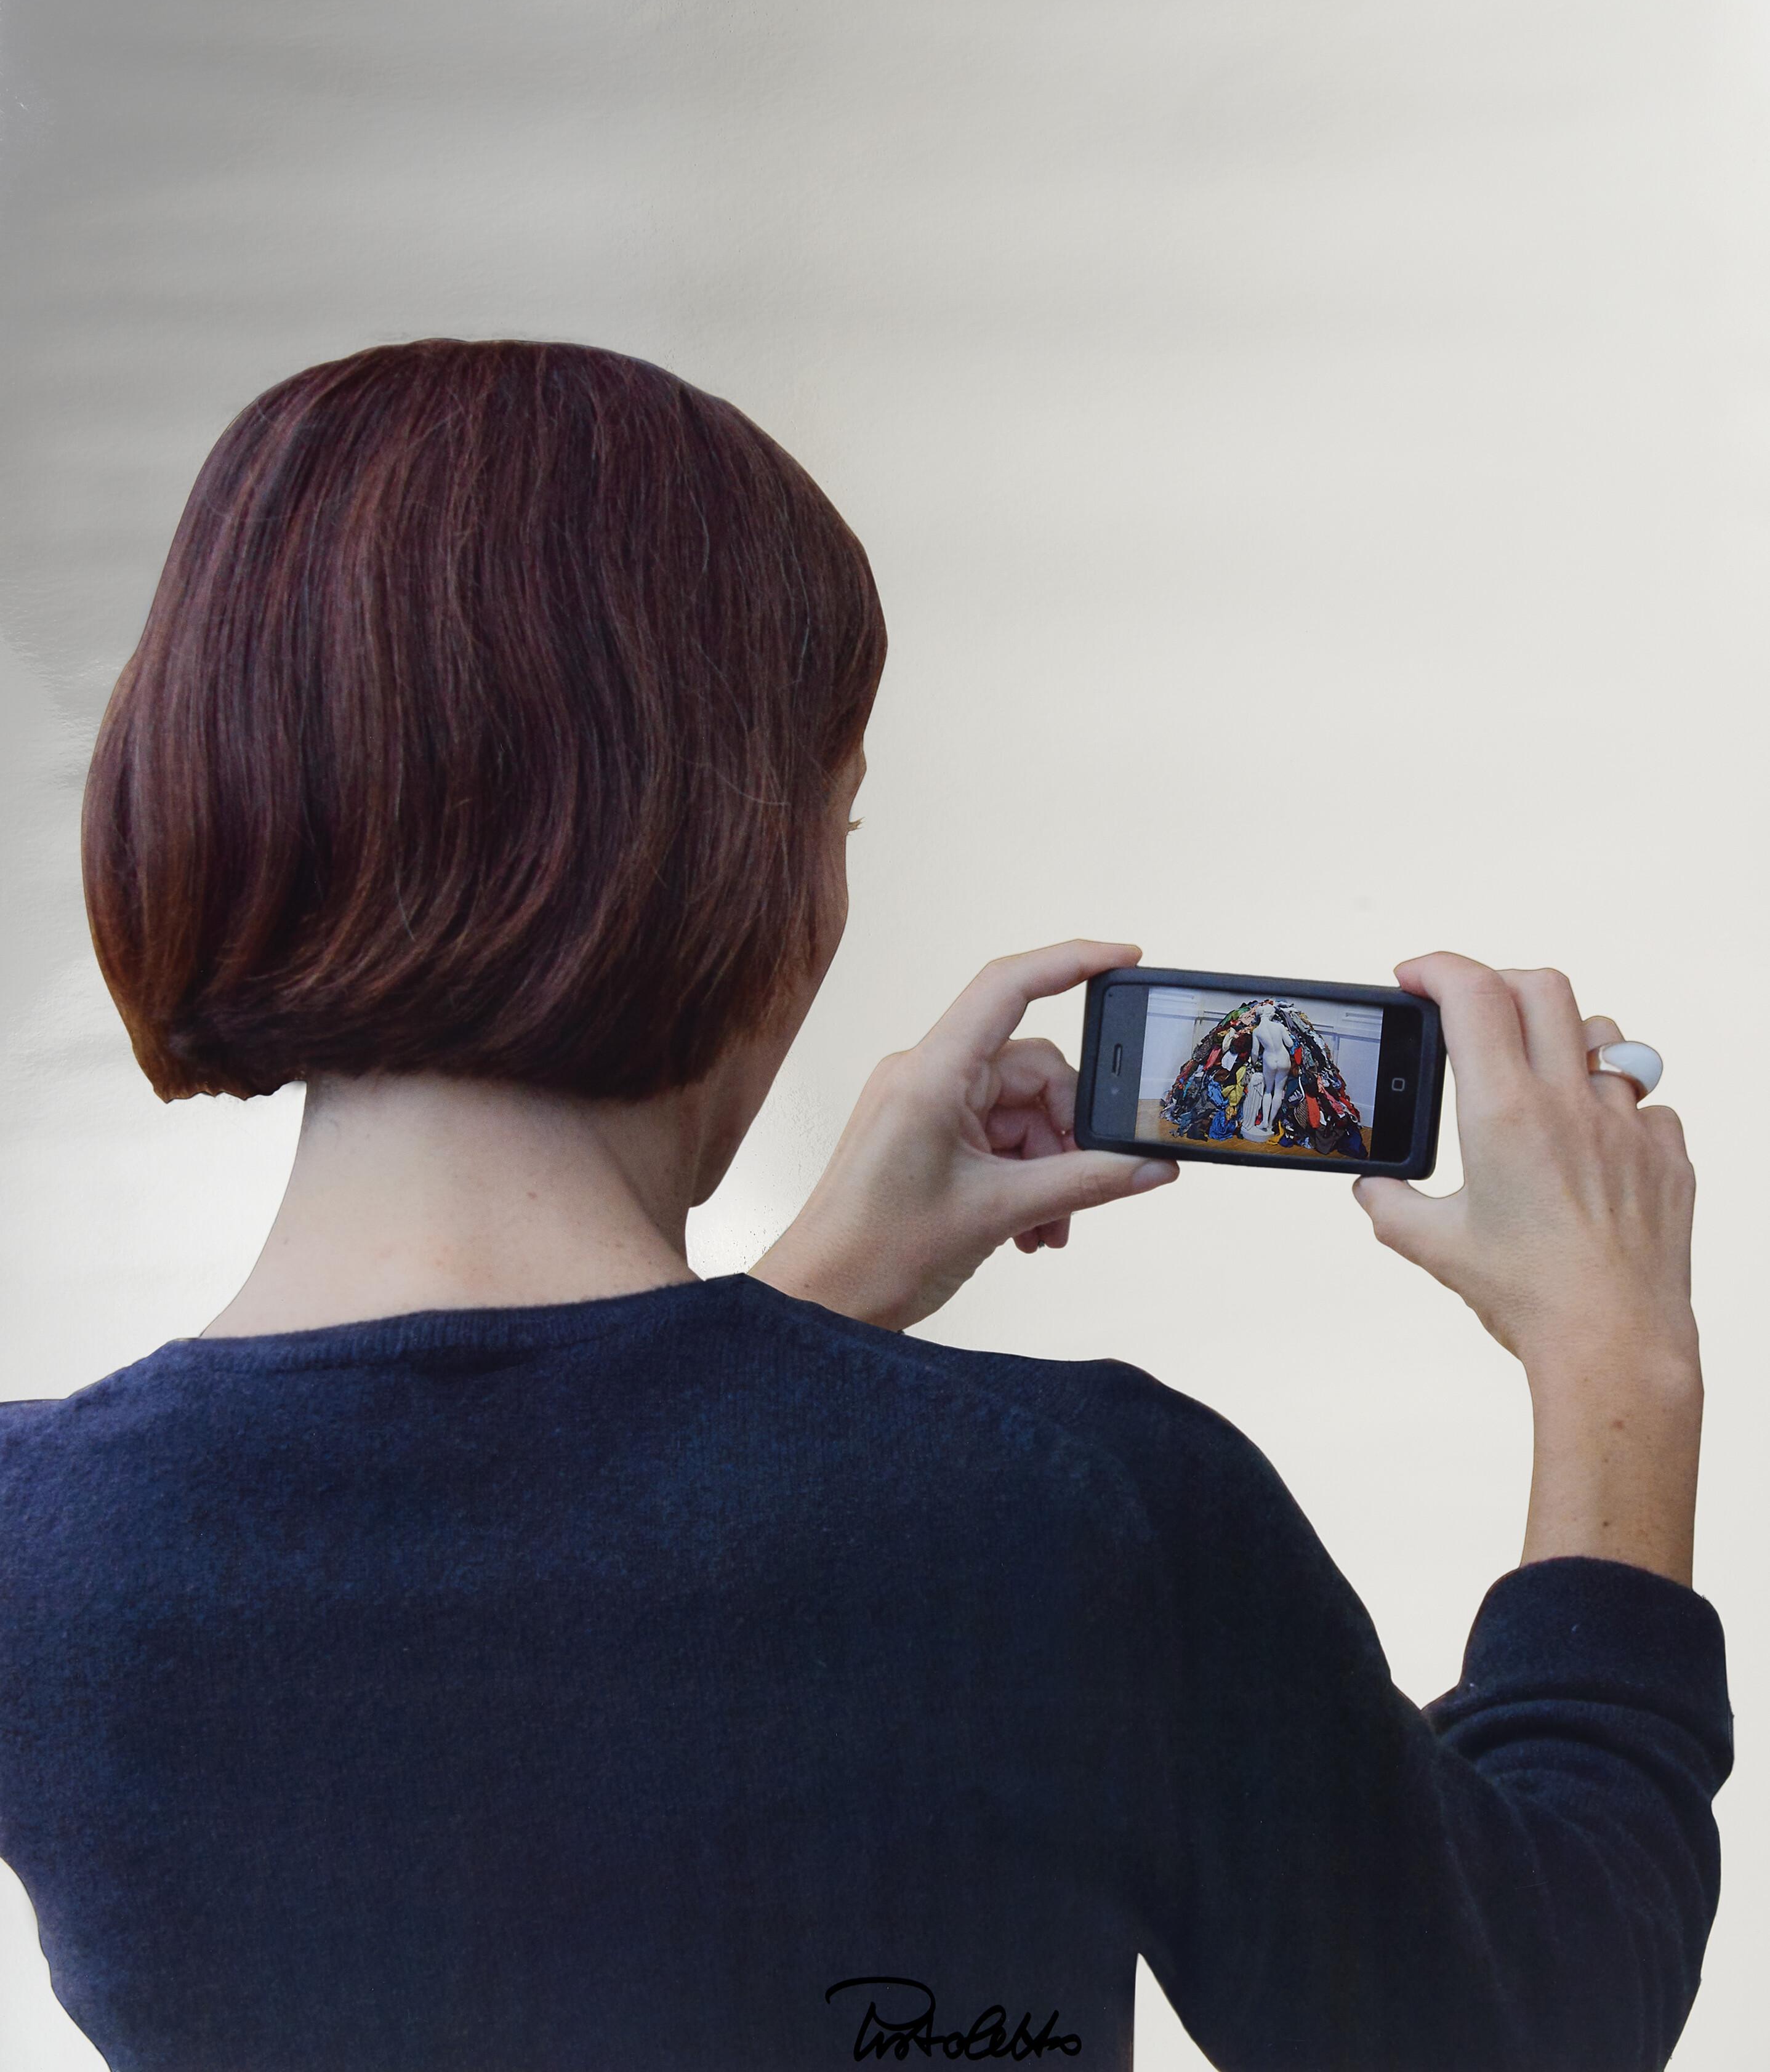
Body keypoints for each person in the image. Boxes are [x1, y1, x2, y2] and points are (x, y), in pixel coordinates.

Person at [0, 339, 1728, 2072]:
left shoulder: (39, 1548)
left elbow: (516, 1658)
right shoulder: (1083, 1516)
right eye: (838, 816)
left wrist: (795, 1320)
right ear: (755, 869)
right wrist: (1614, 1356)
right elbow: (1531, 2025)